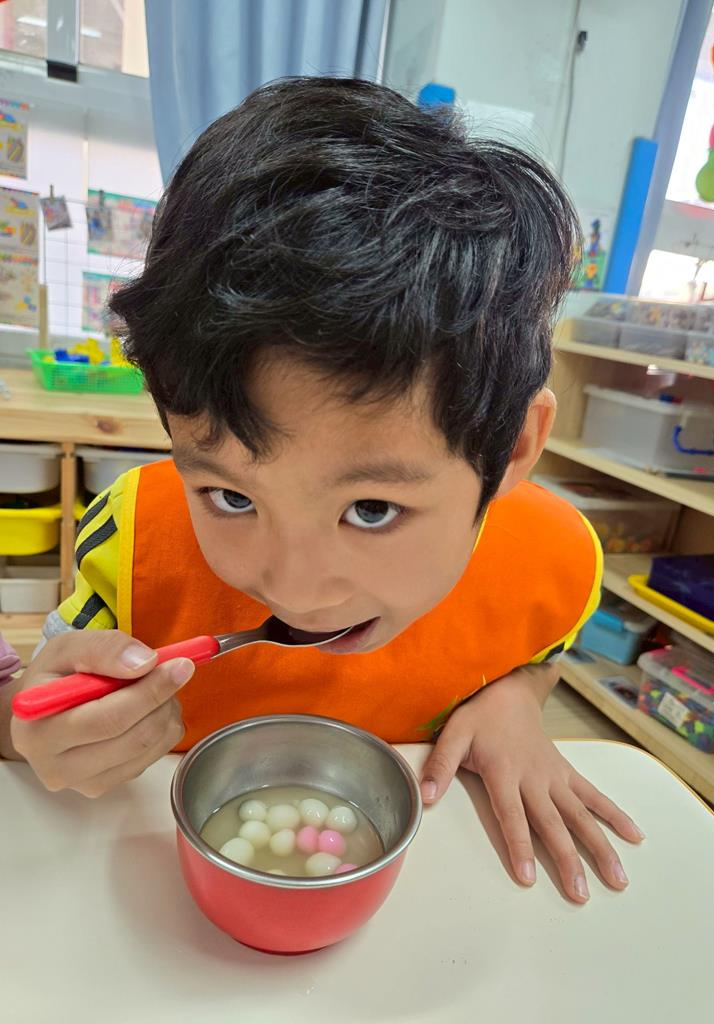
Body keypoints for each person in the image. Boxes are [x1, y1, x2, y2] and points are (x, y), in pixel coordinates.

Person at [0, 78, 643, 904]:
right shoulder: (134, 542)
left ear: (513, 447)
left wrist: (519, 695)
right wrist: (24, 725)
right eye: (231, 497)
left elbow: (538, 649)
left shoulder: (555, 557)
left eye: (372, 510)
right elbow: (37, 703)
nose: (296, 591)